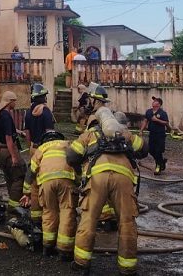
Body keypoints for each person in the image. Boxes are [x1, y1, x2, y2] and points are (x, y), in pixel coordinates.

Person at [66, 89, 147, 275]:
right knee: (126, 222)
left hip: (97, 176)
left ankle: (81, 264)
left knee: (89, 218)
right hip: (124, 177)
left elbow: (71, 157)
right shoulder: (122, 134)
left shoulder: (89, 135)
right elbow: (144, 149)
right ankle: (127, 268)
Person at [20, 130, 77, 262]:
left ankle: (48, 247)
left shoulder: (41, 149)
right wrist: (78, 182)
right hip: (66, 180)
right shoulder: (68, 144)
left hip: (46, 183)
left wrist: (26, 193)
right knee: (66, 212)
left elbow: (31, 172)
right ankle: (64, 251)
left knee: (49, 212)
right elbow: (77, 164)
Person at [22, 83, 55, 227]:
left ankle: (36, 217)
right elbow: (50, 133)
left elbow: (27, 134)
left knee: (34, 182)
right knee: (47, 180)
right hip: (46, 151)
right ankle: (49, 211)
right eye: (45, 96)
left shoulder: (28, 112)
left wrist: (32, 146)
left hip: (34, 149)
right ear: (42, 97)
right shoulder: (46, 112)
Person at [0, 90, 26, 210]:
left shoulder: (0, 114)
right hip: (8, 150)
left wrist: (18, 132)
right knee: (19, 176)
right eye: (14, 101)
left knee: (9, 177)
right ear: (9, 102)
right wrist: (14, 156)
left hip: (1, 151)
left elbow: (7, 131)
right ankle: (14, 206)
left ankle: (12, 203)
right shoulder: (7, 116)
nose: (15, 104)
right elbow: (8, 137)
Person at [139, 96, 169, 175]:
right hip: (152, 134)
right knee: (151, 150)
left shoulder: (162, 113)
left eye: (155, 101)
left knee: (158, 151)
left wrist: (157, 120)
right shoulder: (149, 112)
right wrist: (141, 130)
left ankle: (158, 166)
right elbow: (146, 121)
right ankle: (161, 162)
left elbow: (166, 123)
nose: (153, 102)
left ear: (159, 104)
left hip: (160, 134)